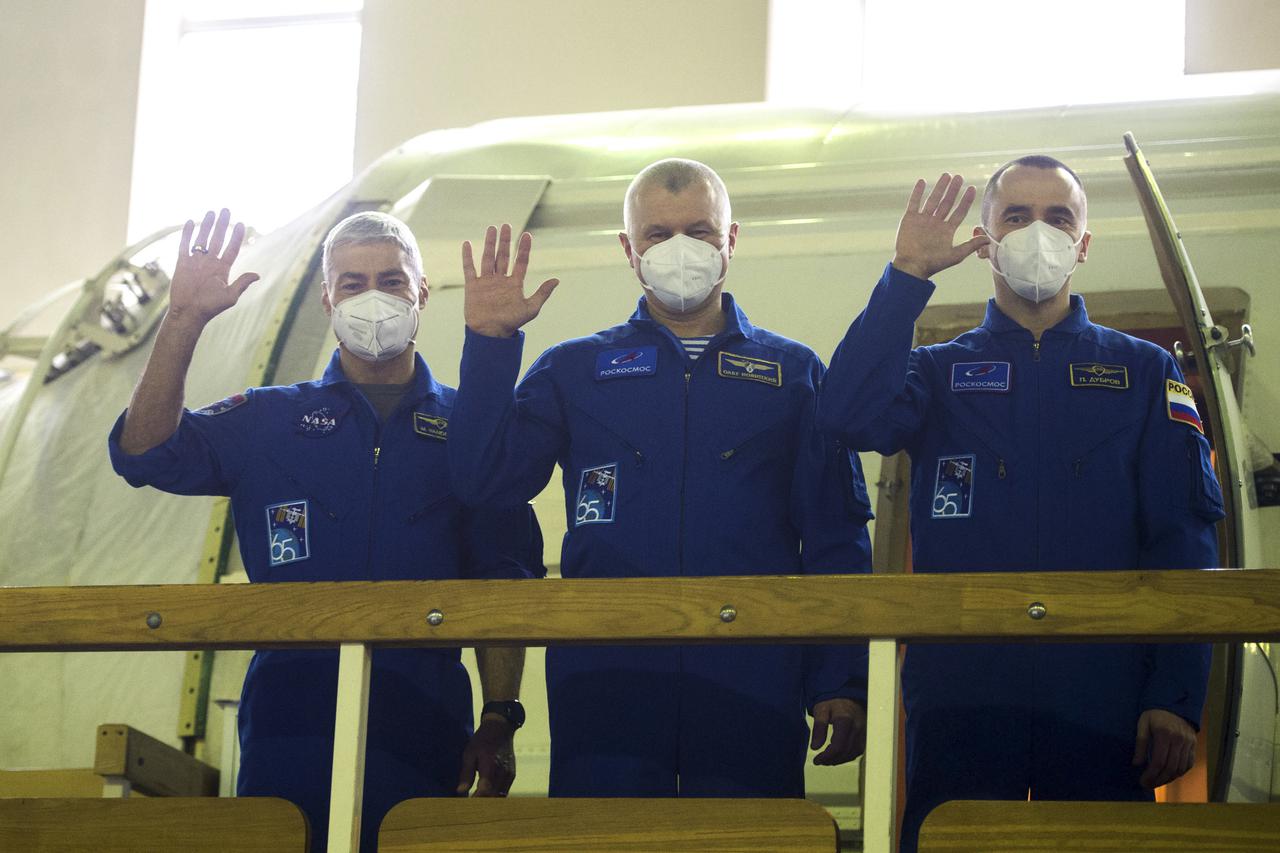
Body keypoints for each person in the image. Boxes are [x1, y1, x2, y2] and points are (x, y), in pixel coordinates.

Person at [816, 158, 1224, 852]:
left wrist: (1176, 696)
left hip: (1105, 690)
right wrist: (907, 276)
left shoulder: (1142, 371)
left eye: (1058, 218)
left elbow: (1182, 539)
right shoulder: (937, 371)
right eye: (1017, 216)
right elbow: (846, 416)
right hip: (963, 689)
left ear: (1083, 244)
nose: (1039, 232)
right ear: (986, 240)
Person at [109, 209, 542, 852]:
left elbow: (502, 577)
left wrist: (500, 716)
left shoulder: (470, 432)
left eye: (392, 281)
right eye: (352, 283)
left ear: (423, 292)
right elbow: (143, 453)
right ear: (326, 297)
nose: (373, 297)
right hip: (289, 715)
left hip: (424, 716)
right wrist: (183, 319)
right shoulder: (267, 420)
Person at [447, 158, 874, 797]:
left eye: (699, 232)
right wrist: (489, 343)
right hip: (605, 677)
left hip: (752, 672)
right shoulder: (572, 370)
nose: (680, 249)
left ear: (730, 241)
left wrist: (840, 679)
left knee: (749, 840)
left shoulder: (793, 373)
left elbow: (835, 534)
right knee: (606, 838)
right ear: (630, 249)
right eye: (658, 234)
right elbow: (484, 483)